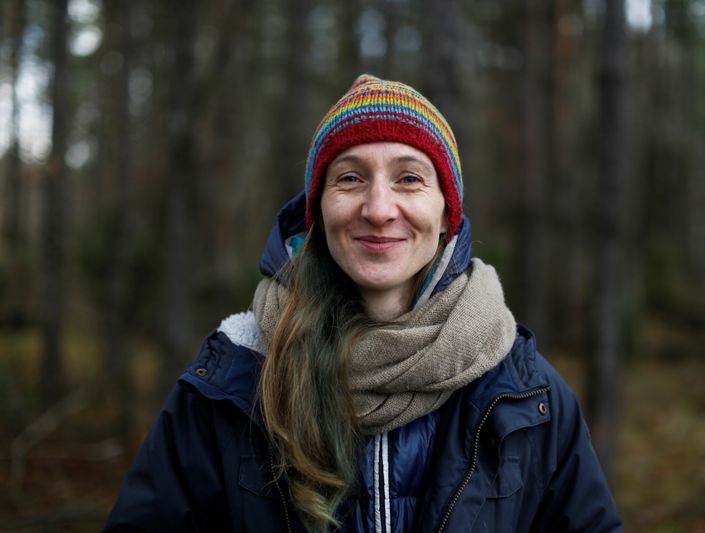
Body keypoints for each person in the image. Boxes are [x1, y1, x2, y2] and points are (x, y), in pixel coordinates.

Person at [104, 75, 622, 532]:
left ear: (448, 214)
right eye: (350, 178)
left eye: (409, 179)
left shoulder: (526, 395)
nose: (378, 209)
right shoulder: (230, 382)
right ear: (318, 211)